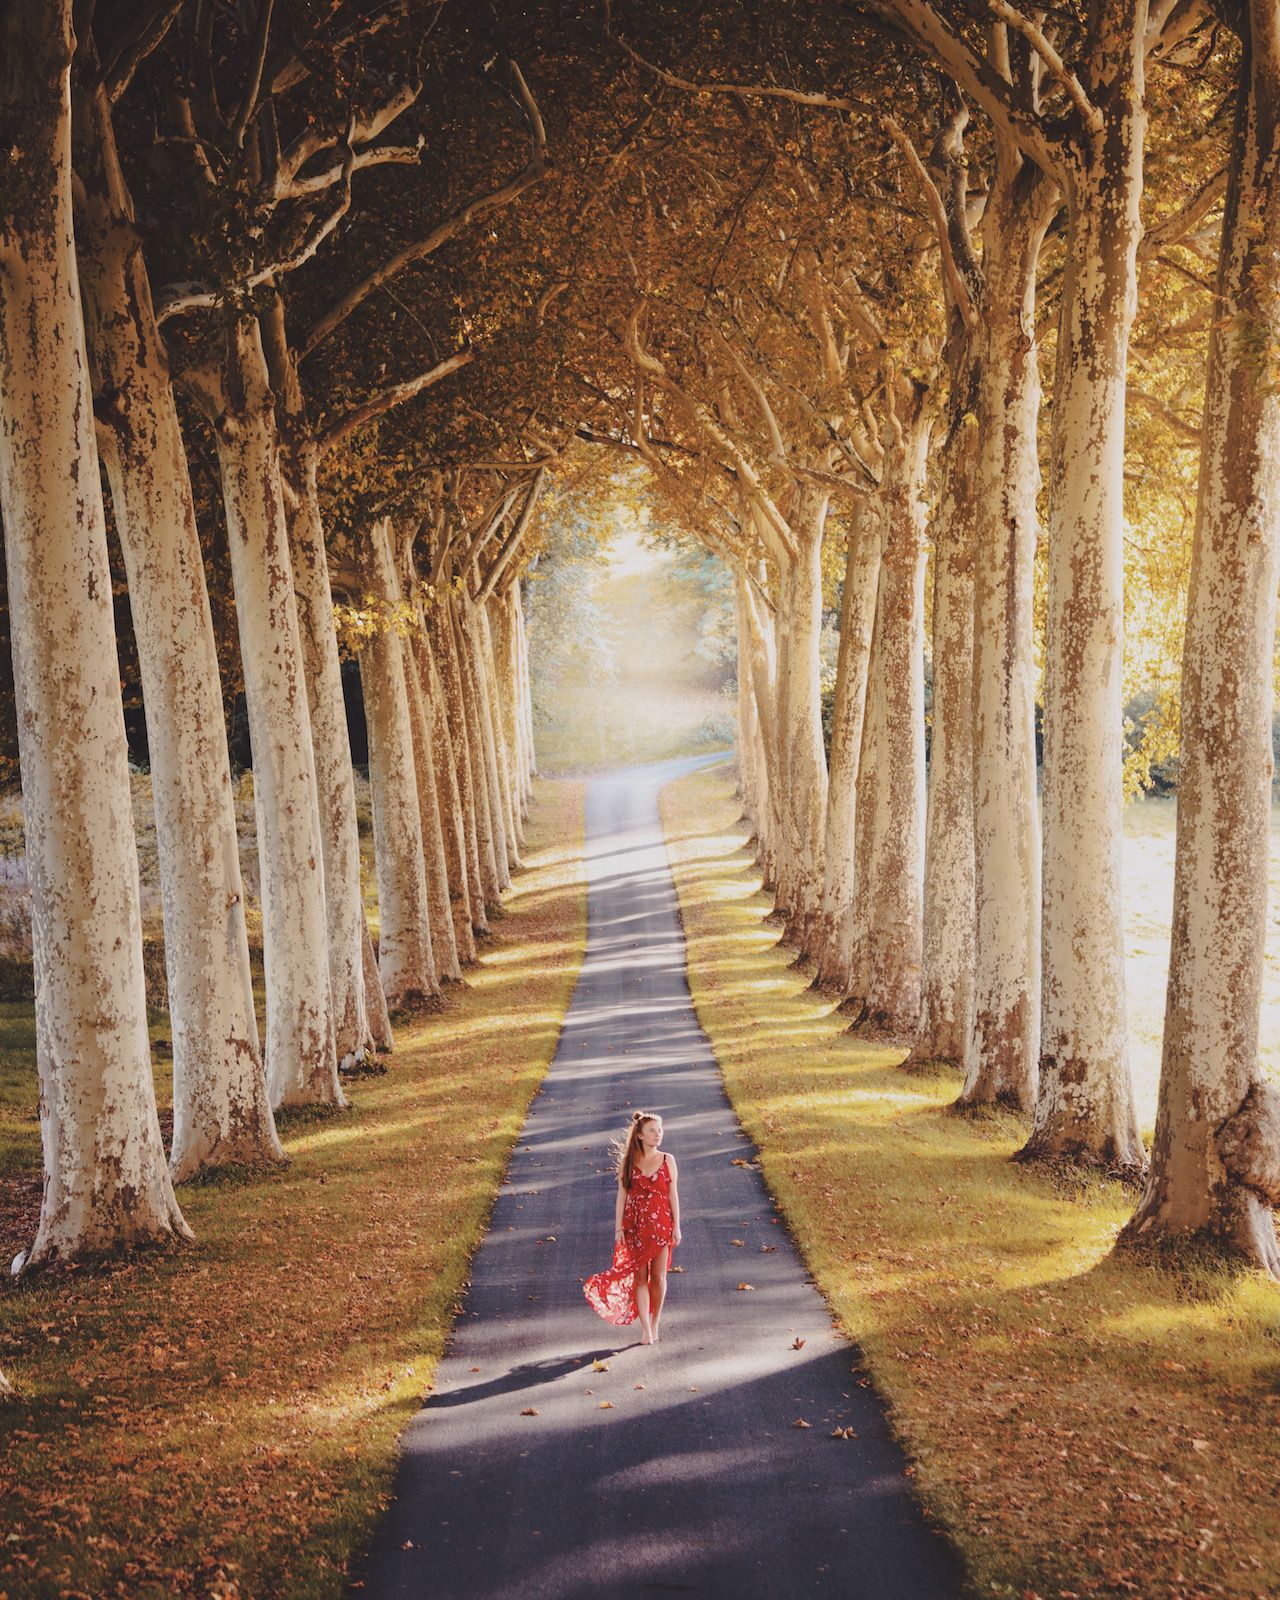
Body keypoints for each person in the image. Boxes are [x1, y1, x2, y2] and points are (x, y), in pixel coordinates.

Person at [583, 1111, 681, 1344]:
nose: (658, 1134)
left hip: (660, 1225)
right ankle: (645, 1329)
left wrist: (676, 1227)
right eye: (652, 1131)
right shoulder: (629, 1162)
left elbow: (672, 1195)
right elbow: (622, 1196)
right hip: (634, 1225)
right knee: (640, 1277)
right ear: (639, 1135)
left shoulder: (668, 1160)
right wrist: (619, 1229)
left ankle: (655, 1321)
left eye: (660, 1130)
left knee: (658, 1277)